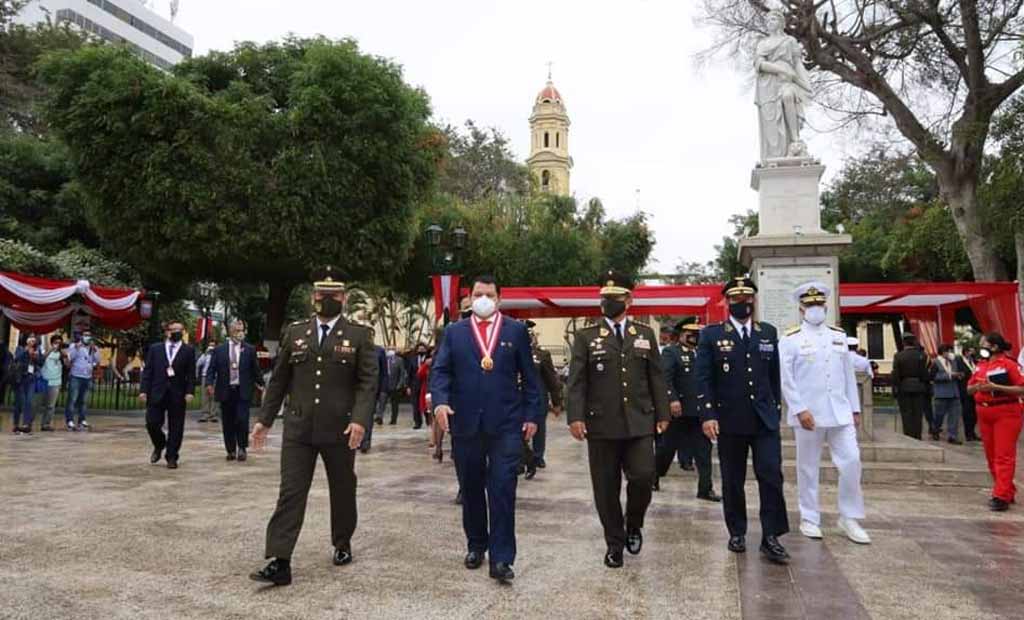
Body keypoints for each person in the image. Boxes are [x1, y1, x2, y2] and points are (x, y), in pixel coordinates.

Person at [248, 267, 377, 586]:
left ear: (344, 298)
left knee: (343, 489)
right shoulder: (296, 332)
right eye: (322, 294)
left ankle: (342, 542)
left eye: (334, 295)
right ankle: (280, 560)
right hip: (299, 429)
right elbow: (279, 380)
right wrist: (264, 420)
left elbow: (367, 383)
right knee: (290, 493)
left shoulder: (359, 335)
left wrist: (360, 420)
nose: (327, 299)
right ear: (313, 297)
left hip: (340, 429)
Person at [430, 274, 541, 584]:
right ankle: (476, 544)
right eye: (478, 294)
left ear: (499, 299)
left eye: (489, 294)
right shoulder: (455, 332)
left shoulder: (516, 331)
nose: (483, 299)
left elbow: (531, 379)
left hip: (506, 424)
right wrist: (439, 402)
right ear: (469, 298)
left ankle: (502, 558)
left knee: (503, 488)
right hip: (465, 423)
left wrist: (532, 415)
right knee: (471, 487)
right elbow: (440, 372)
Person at [566, 271, 670, 569]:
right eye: (604, 298)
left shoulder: (644, 334)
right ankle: (614, 543)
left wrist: (662, 412)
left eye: (614, 298)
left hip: (639, 421)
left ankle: (633, 523)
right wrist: (575, 416)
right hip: (601, 425)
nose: (608, 302)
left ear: (629, 300)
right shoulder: (586, 337)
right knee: (605, 488)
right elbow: (576, 381)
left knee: (642, 476)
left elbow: (656, 376)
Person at [696, 276, 790, 564]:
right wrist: (708, 414)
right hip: (730, 419)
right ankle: (737, 531)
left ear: (753, 300)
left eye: (747, 298)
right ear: (727, 302)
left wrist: (775, 408)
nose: (742, 303)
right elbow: (704, 378)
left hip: (764, 420)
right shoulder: (712, 335)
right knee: (733, 479)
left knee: (771, 474)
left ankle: (771, 536)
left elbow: (774, 375)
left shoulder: (767, 333)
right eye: (736, 299)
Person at [780, 283, 870, 545]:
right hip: (809, 415)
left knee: (852, 462)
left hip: (840, 412)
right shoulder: (790, 339)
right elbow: (787, 380)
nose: (815, 309)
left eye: (819, 305)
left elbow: (848, 376)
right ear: (801, 308)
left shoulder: (838, 335)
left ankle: (849, 517)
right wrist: (799, 409)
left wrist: (854, 407)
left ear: (826, 306)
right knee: (808, 468)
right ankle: (809, 517)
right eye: (809, 305)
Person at [656, 318, 720, 502]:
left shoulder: (703, 353)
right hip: (678, 413)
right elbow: (664, 378)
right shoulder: (671, 353)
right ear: (681, 335)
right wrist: (672, 399)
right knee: (666, 450)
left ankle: (705, 489)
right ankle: (654, 477)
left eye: (697, 334)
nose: (694, 337)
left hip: (699, 413)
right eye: (690, 334)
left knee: (704, 452)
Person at [967, 332, 1024, 512]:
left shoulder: (1009, 364)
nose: (980, 347)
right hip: (984, 411)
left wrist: (996, 387)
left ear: (994, 347)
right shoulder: (981, 365)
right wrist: (977, 387)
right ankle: (1006, 489)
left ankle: (1001, 496)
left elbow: (1021, 388)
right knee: (991, 455)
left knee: (1003, 455)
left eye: (984, 344)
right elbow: (968, 388)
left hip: (1006, 411)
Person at [139, 321, 197, 469]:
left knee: (176, 426)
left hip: (177, 393)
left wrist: (190, 391)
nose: (176, 332)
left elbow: (191, 374)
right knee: (152, 422)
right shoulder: (155, 349)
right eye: (173, 330)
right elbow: (148, 371)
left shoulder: (188, 350)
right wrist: (144, 390)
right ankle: (159, 444)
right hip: (157, 392)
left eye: (179, 330)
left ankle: (172, 456)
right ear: (167, 332)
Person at [206, 320, 264, 462]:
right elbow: (211, 369)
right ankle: (230, 449)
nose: (240, 332)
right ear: (231, 331)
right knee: (228, 421)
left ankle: (242, 448)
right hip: (226, 390)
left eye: (242, 330)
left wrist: (261, 383)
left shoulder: (249, 349)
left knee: (242, 419)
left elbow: (255, 369)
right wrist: (209, 383)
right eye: (237, 330)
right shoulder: (220, 350)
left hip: (242, 390)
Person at [524, 320, 563, 477]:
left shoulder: (542, 355)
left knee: (539, 429)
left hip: (538, 398)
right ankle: (525, 458)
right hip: (517, 399)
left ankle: (538, 456)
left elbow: (551, 380)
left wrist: (556, 401)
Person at [891, 333, 931, 440]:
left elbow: (896, 374)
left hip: (904, 387)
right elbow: (925, 374)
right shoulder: (922, 355)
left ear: (904, 343)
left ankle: (908, 437)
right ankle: (917, 436)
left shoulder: (898, 356)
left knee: (906, 413)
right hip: (919, 387)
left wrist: (895, 388)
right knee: (918, 414)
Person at [64, 330, 100, 431]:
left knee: (83, 400)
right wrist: (76, 348)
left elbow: (97, 360)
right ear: (81, 336)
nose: (87, 337)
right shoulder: (74, 346)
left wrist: (95, 351)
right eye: (85, 335)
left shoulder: (93, 348)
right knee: (72, 399)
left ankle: (82, 420)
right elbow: (70, 357)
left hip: (87, 377)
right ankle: (70, 420)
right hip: (76, 376)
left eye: (89, 335)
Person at [931, 344, 964, 445]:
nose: (949, 353)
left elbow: (957, 372)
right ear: (943, 352)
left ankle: (952, 436)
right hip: (941, 393)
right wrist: (949, 375)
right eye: (948, 351)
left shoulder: (953, 361)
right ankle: (936, 430)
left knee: (954, 416)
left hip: (954, 393)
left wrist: (959, 375)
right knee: (939, 415)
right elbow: (933, 377)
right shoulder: (935, 362)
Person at [360, 331, 387, 453]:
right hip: (356, 388)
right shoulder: (356, 348)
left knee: (368, 416)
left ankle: (365, 442)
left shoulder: (379, 351)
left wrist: (383, 389)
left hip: (372, 389)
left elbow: (383, 372)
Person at [12, 335, 40, 434]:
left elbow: (40, 362)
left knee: (29, 401)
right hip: (21, 378)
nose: (32, 341)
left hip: (31, 378)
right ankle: (16, 424)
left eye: (34, 339)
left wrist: (35, 357)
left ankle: (26, 425)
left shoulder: (36, 350)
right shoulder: (20, 349)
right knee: (19, 403)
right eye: (30, 339)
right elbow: (17, 359)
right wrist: (26, 351)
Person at [39, 335, 67, 432]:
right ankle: (28, 422)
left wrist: (65, 356)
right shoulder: (45, 351)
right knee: (37, 403)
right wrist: (50, 350)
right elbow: (41, 360)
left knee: (50, 406)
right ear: (52, 343)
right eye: (56, 342)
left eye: (59, 343)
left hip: (55, 382)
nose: (57, 345)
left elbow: (68, 365)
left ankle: (46, 424)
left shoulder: (61, 354)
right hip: (44, 380)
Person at [956, 347, 979, 441]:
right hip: (965, 390)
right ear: (966, 352)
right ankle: (968, 433)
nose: (972, 353)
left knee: (974, 413)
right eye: (970, 351)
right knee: (967, 412)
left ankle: (973, 432)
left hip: (975, 390)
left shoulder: (974, 362)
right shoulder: (960, 362)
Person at [406, 342, 430, 429]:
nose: (421, 350)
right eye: (419, 349)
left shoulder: (429, 359)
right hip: (414, 385)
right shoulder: (413, 359)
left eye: (423, 348)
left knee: (426, 403)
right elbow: (409, 374)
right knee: (415, 405)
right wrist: (408, 386)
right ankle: (417, 422)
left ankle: (428, 420)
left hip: (425, 384)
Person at [384, 347, 409, 425]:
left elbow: (402, 373)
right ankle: (379, 417)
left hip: (395, 385)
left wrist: (400, 384)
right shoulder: (383, 359)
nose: (390, 350)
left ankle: (393, 419)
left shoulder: (399, 360)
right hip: (384, 385)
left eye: (392, 349)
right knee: (381, 402)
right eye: (389, 349)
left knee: (394, 404)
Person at [196, 343, 219, 423]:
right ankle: (205, 414)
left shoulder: (217, 355)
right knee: (205, 396)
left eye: (213, 345)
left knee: (214, 396)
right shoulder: (205, 355)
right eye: (210, 345)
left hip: (215, 377)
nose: (211, 347)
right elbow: (198, 364)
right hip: (205, 376)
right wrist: (205, 355)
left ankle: (213, 415)